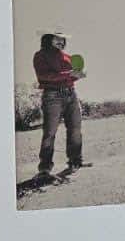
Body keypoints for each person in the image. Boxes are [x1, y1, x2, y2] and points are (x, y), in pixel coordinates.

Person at [32, 30, 85, 174]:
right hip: (52, 96)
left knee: (75, 129)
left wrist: (77, 75)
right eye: (57, 39)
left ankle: (75, 161)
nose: (61, 42)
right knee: (50, 132)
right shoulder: (40, 55)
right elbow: (44, 76)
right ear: (48, 39)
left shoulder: (68, 57)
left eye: (63, 39)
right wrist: (69, 74)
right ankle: (45, 168)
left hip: (71, 94)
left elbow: (69, 78)